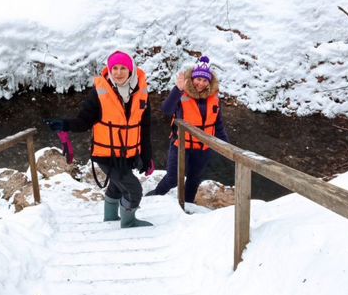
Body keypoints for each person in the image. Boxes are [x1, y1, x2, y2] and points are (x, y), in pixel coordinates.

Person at [45, 51, 154, 228]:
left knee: (118, 185)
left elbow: (145, 128)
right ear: (109, 70)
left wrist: (147, 157)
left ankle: (110, 217)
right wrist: (64, 124)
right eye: (114, 68)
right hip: (107, 155)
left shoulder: (141, 93)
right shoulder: (99, 93)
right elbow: (84, 121)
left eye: (123, 68)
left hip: (129, 155)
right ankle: (129, 222)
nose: (118, 73)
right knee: (134, 189)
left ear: (131, 70)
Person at [146, 56, 229, 203]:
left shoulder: (214, 98)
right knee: (172, 179)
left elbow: (218, 123)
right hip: (181, 144)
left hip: (203, 147)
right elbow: (166, 110)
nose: (201, 83)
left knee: (194, 179)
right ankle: (153, 197)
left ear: (209, 82)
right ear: (192, 79)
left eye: (205, 80)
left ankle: (188, 204)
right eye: (198, 79)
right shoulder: (182, 94)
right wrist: (177, 90)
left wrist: (226, 146)